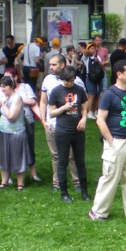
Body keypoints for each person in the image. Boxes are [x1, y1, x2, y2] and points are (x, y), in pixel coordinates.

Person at [88, 59, 126, 222]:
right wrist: (111, 141)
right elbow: (100, 120)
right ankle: (98, 212)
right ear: (119, 74)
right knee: (110, 177)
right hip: (116, 141)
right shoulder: (108, 94)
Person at [48, 66, 91, 203]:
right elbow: (51, 113)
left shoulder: (78, 89)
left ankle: (84, 192)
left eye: (72, 80)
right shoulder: (56, 91)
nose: (70, 83)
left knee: (80, 161)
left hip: (78, 131)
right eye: (68, 81)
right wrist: (64, 108)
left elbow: (84, 107)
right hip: (63, 131)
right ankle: (64, 193)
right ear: (63, 79)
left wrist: (84, 119)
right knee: (63, 161)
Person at [40, 54, 82, 191]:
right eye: (50, 64)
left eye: (54, 65)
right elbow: (43, 101)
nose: (50, 67)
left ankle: (77, 182)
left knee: (71, 155)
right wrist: (43, 120)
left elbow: (83, 103)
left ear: (62, 65)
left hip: (69, 125)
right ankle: (57, 182)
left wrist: (82, 119)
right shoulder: (47, 80)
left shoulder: (77, 82)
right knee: (55, 155)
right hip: (52, 125)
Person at [0, 75, 31, 191]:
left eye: (4, 87)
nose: (2, 89)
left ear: (11, 86)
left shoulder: (17, 98)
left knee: (18, 156)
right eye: (1, 86)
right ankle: (4, 181)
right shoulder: (4, 96)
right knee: (4, 155)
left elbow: (11, 116)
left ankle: (20, 184)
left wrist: (3, 105)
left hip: (16, 132)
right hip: (3, 131)